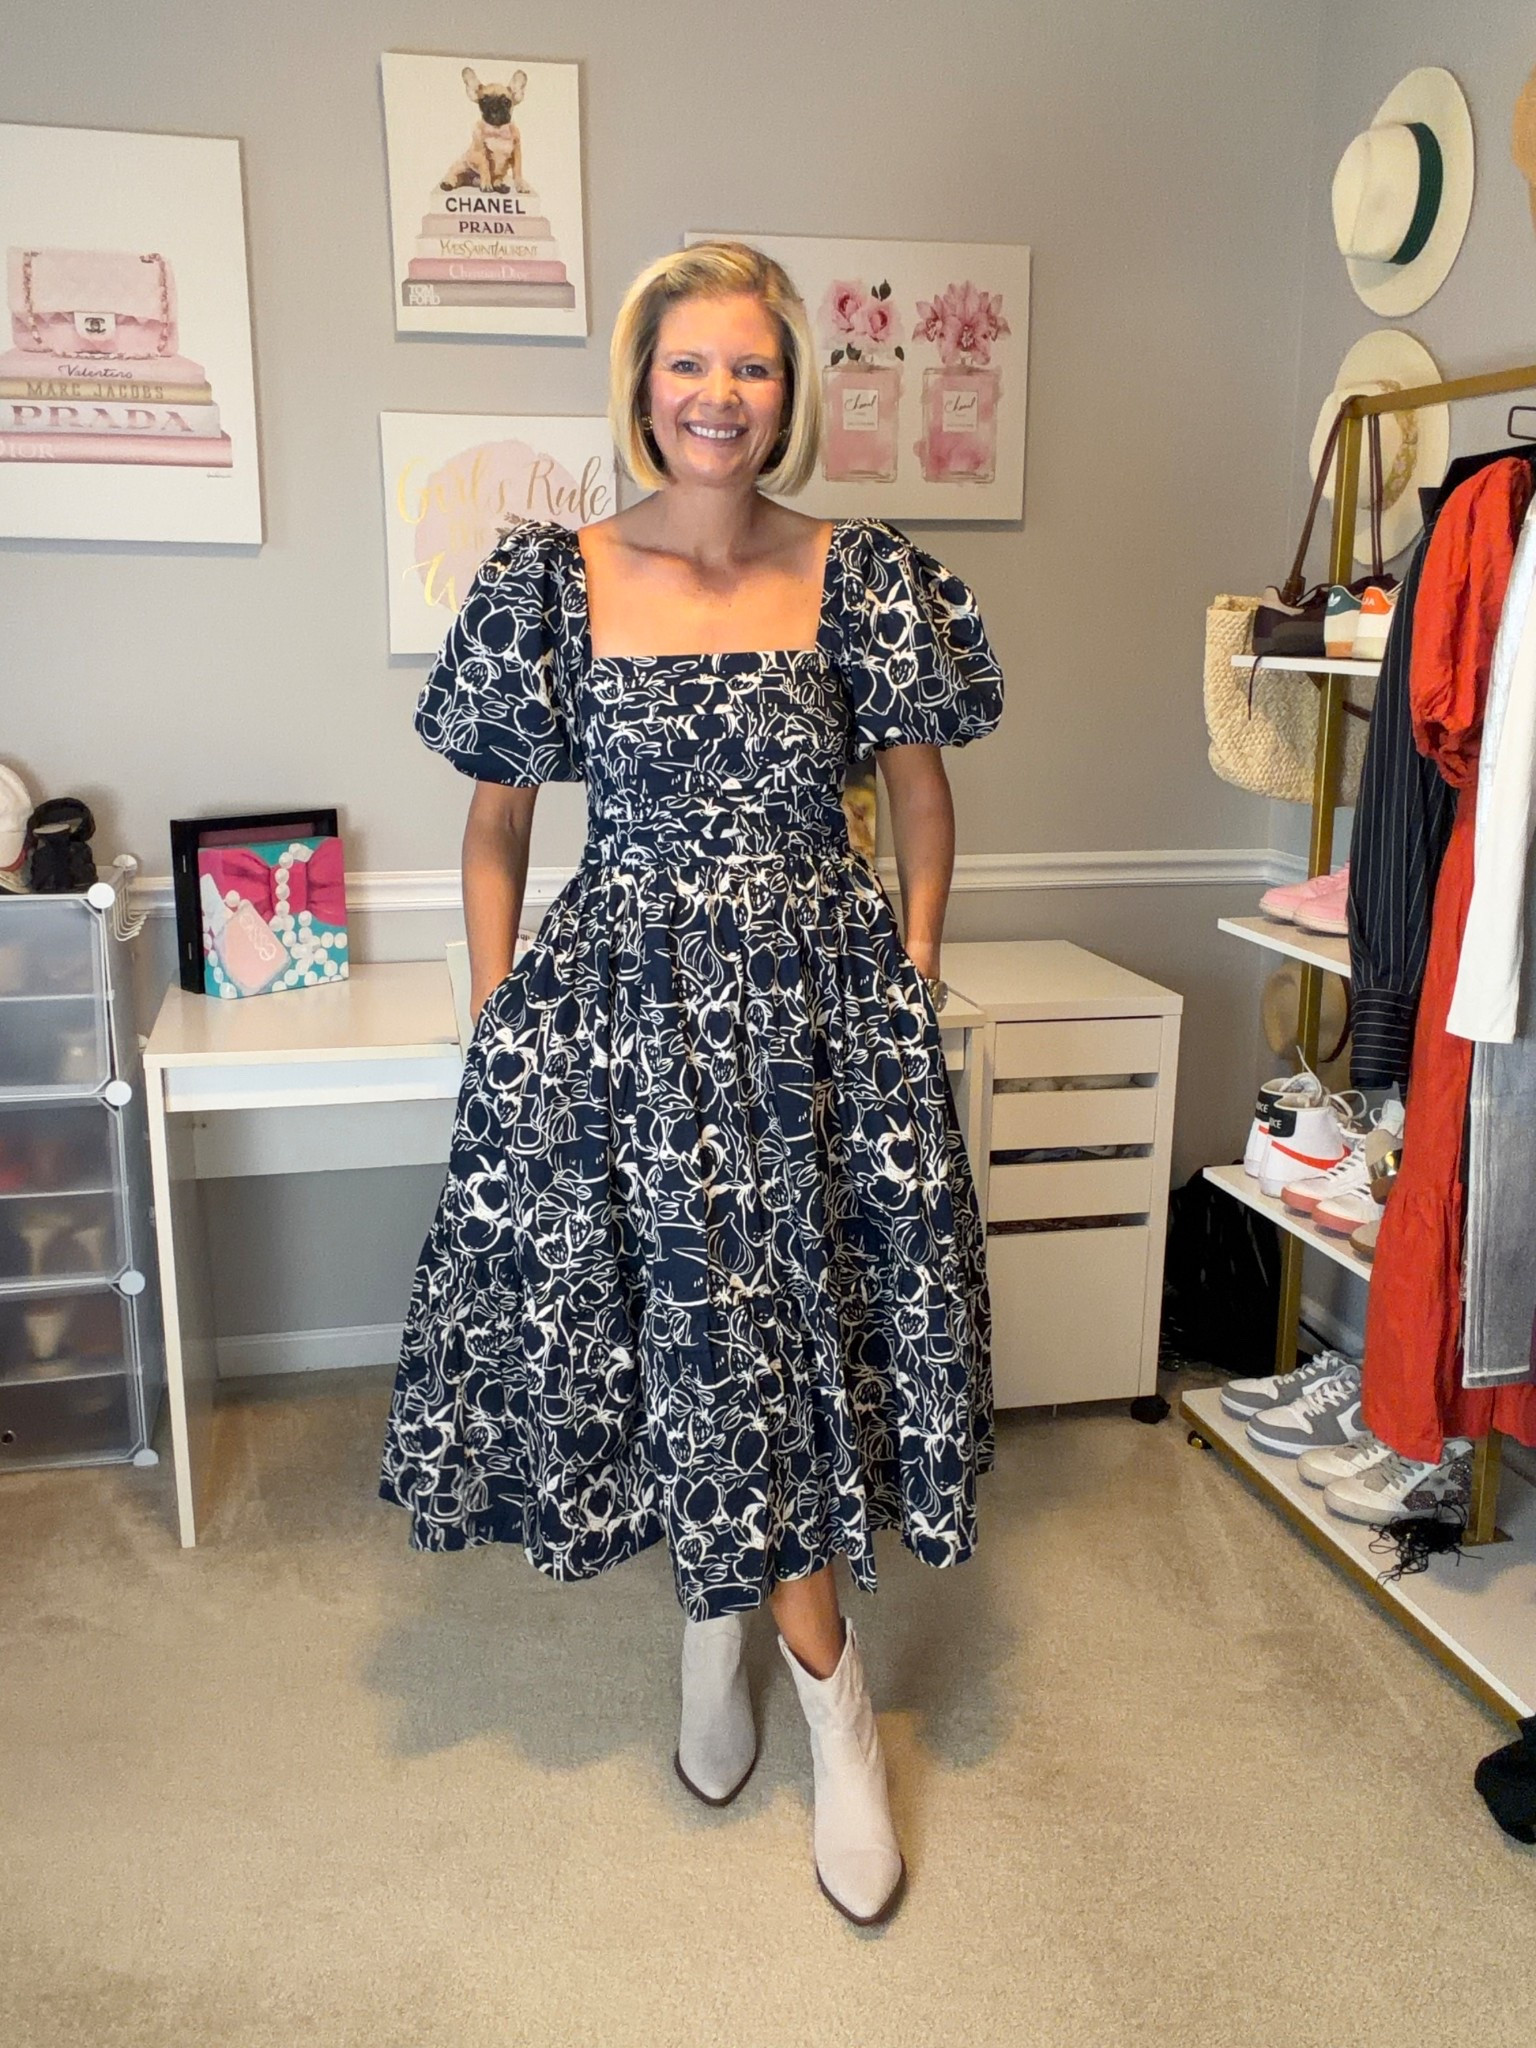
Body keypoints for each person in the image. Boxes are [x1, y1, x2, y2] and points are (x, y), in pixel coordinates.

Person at [379, 240, 1005, 1927]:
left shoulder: (866, 576)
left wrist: (909, 976)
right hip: (629, 1022)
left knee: (794, 1338)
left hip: (818, 1024)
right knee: (693, 1338)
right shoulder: (552, 581)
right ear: (642, 386)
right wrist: (506, 1021)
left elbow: (922, 799)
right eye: (688, 364)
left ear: (786, 392)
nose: (719, 394)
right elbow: (496, 826)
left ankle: (800, 1687)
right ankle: (755, 1650)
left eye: (751, 366)